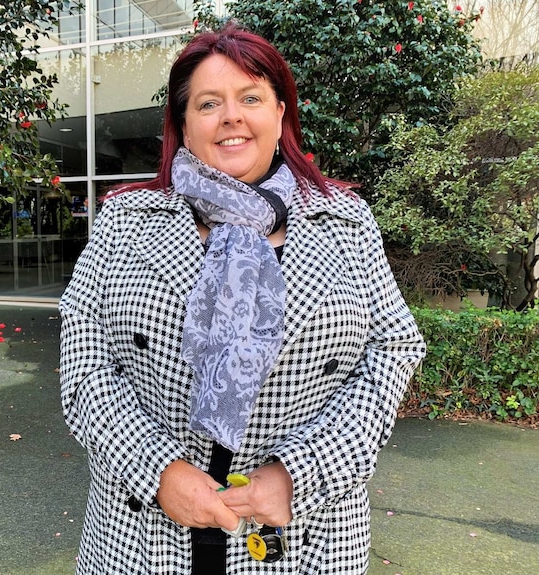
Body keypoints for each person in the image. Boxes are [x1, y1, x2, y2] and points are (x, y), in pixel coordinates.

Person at [58, 22, 426, 575]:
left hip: (305, 531)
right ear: (183, 125)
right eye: (208, 103)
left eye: (250, 97)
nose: (231, 116)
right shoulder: (126, 222)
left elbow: (394, 347)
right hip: (141, 534)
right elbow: (84, 362)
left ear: (279, 114)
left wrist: (300, 472)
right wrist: (155, 471)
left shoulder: (345, 222)